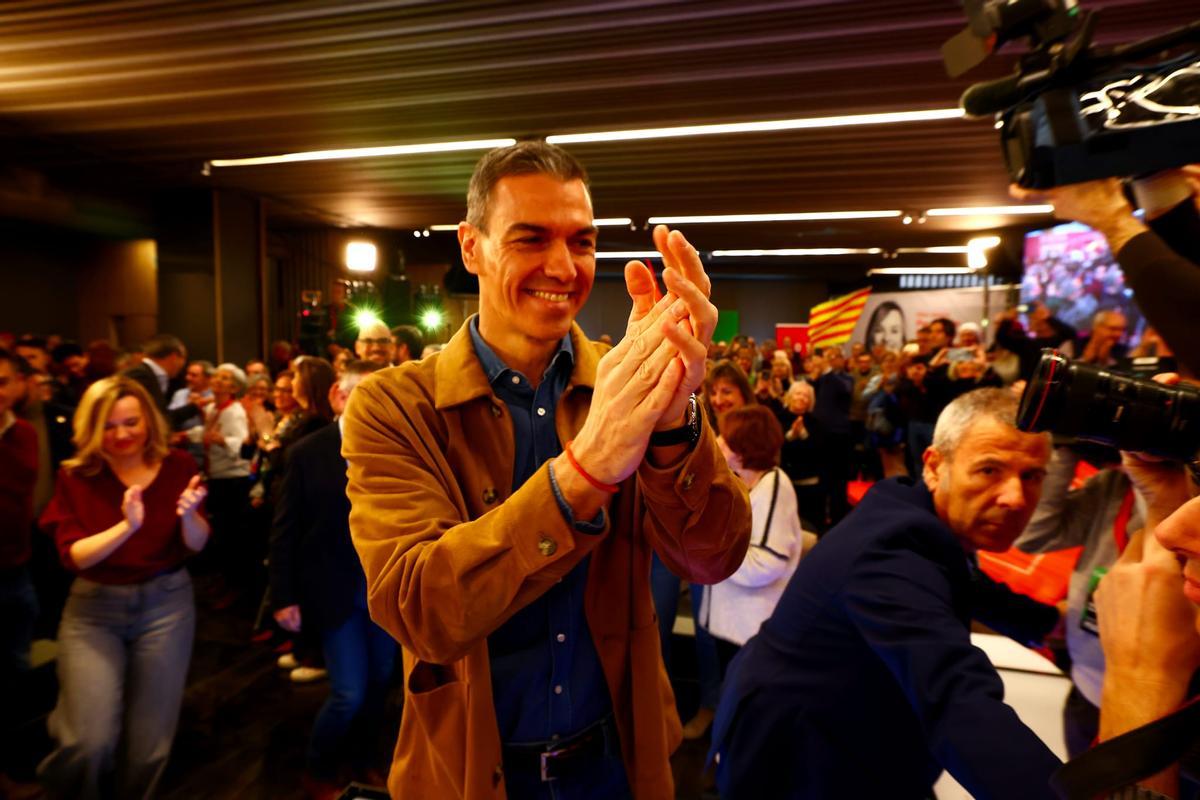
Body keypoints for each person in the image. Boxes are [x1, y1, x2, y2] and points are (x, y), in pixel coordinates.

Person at [340, 140, 751, 800]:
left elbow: (712, 559)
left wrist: (674, 419)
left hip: (618, 760)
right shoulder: (395, 406)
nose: (563, 267)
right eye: (531, 238)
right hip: (473, 772)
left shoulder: (623, 386)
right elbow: (420, 610)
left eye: (582, 242)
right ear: (471, 247)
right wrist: (584, 471)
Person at [711, 388, 1064, 800]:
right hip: (798, 754)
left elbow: (967, 583)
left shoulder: (917, 517)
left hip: (848, 723)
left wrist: (1051, 622)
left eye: (1032, 476)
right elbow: (957, 701)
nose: (1016, 498)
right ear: (934, 467)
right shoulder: (892, 553)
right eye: (989, 471)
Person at [37, 377, 209, 800]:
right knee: (87, 741)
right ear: (92, 429)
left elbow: (197, 543)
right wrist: (127, 527)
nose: (122, 435)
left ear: (149, 420)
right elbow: (75, 555)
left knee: (149, 746)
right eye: (109, 426)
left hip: (166, 605)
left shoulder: (179, 465)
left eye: (131, 422)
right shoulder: (76, 475)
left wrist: (189, 517)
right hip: (94, 611)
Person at [270, 359, 395, 798]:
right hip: (334, 589)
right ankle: (318, 768)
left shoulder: (394, 448)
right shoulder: (308, 452)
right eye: (363, 392)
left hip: (381, 589)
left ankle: (364, 762)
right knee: (348, 692)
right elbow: (285, 528)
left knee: (381, 682)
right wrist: (282, 595)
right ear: (339, 397)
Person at [701, 405, 809, 673]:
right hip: (733, 623)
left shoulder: (774, 487)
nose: (717, 443)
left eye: (725, 440)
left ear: (743, 450)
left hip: (751, 628)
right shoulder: (742, 483)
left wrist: (712, 555)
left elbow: (767, 563)